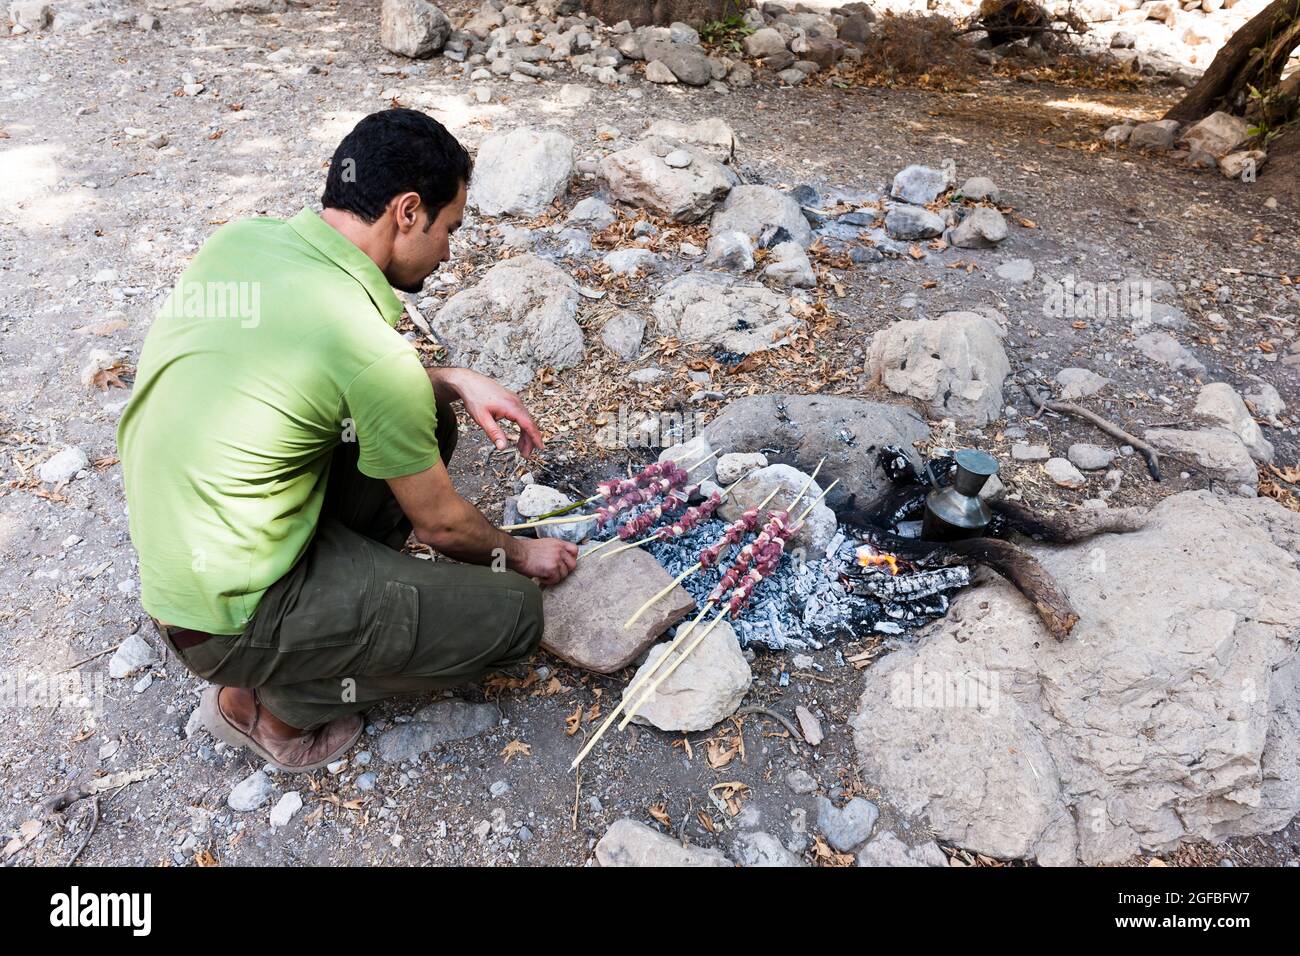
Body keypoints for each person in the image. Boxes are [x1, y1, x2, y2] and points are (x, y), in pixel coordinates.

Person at [117, 109, 577, 772]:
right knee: (514, 616)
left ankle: (336, 617)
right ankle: (276, 711)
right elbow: (444, 529)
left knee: (430, 414)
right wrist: (516, 554)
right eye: (449, 229)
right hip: (225, 624)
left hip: (188, 572)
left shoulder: (243, 241)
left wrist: (449, 379)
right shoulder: (369, 351)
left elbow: (327, 375)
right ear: (408, 211)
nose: (448, 252)